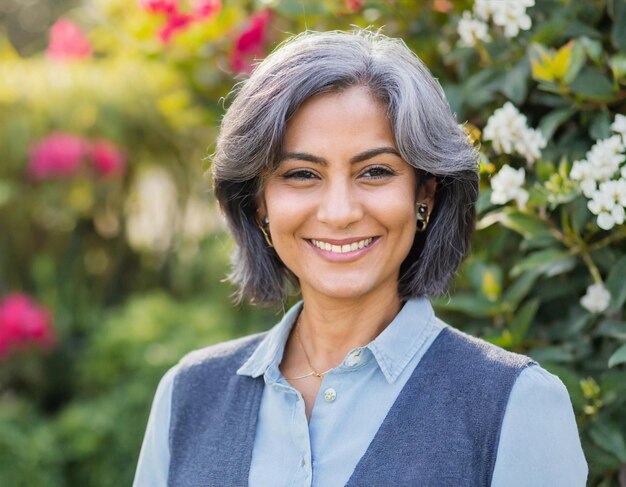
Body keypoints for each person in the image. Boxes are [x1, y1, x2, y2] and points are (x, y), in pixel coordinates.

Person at [133, 29, 588, 486]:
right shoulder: (186, 396)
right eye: (302, 174)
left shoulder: (517, 405)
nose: (340, 213)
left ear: (424, 194)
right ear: (259, 204)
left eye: (375, 171)